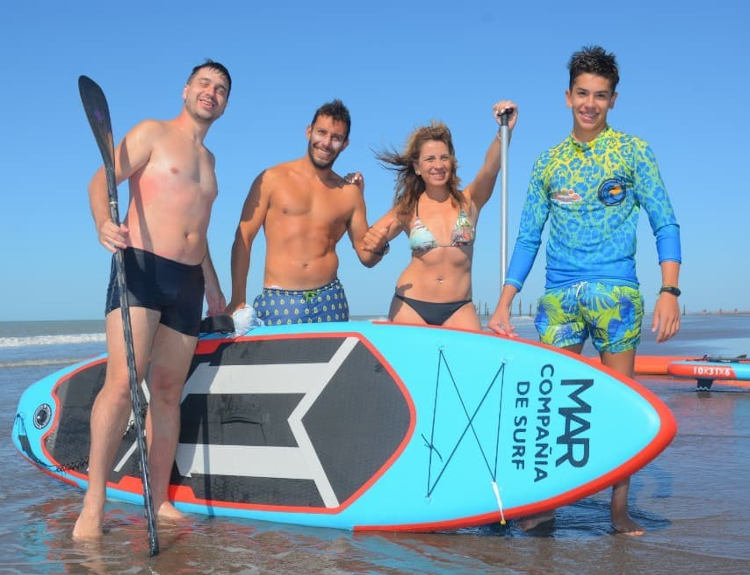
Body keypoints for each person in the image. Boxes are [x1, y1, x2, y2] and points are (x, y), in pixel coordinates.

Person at [487, 46, 681, 535]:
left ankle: (618, 509)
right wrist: (506, 301)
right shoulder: (548, 161)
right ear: (567, 96)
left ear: (613, 99)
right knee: (550, 407)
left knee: (621, 405)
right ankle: (547, 503)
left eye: (599, 95)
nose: (589, 103)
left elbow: (665, 221)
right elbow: (529, 234)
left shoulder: (634, 151)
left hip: (617, 296)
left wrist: (670, 290)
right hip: (558, 300)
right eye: (581, 94)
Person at [73, 60, 230, 539]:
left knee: (166, 394)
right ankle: (94, 504)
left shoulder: (211, 161)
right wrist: (103, 221)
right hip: (141, 267)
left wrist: (215, 287)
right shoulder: (152, 133)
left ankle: (158, 499)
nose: (212, 92)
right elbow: (100, 181)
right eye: (204, 83)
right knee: (122, 385)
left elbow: (197, 231)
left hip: (188, 282)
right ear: (185, 90)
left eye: (221, 89)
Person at [362, 101, 517, 329]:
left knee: (469, 364)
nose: (438, 165)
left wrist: (504, 132)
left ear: (452, 161)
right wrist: (378, 245)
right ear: (417, 167)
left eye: (444, 157)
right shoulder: (406, 207)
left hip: (460, 306)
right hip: (410, 306)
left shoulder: (470, 200)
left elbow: (491, 168)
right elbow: (367, 257)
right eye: (430, 159)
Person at [226, 100, 381, 323]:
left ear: (345, 144)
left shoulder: (350, 193)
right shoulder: (271, 179)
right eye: (322, 133)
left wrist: (388, 230)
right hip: (279, 300)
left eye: (336, 138)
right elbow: (244, 237)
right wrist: (237, 297)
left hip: (330, 299)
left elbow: (367, 256)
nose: (326, 143)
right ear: (309, 131)